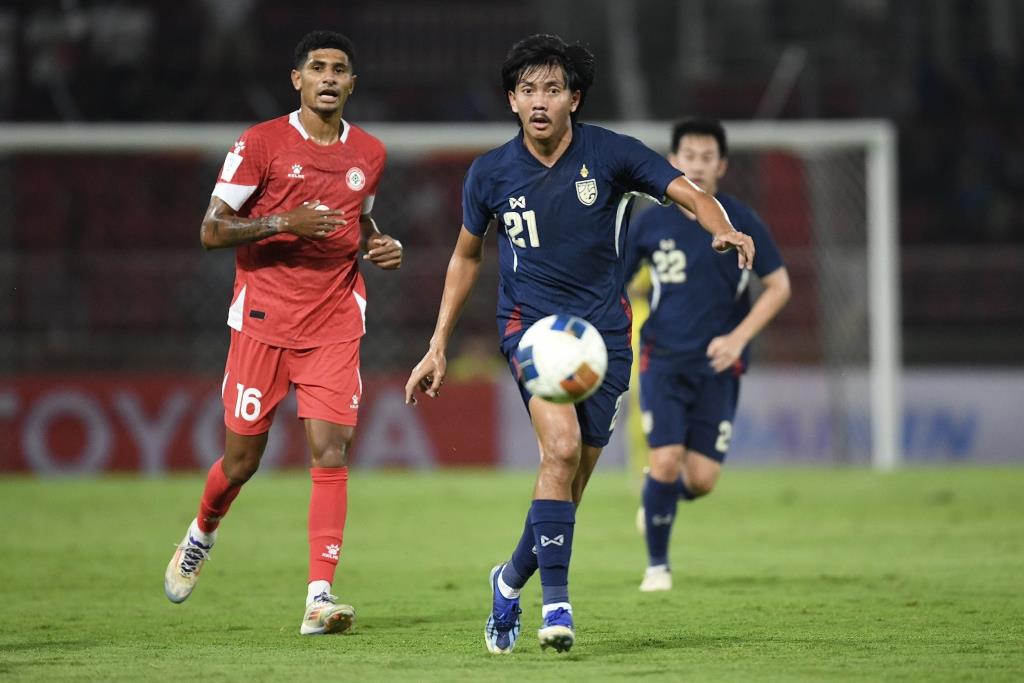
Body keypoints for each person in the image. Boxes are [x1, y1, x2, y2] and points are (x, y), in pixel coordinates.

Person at [404, 35, 754, 655]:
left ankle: (509, 579)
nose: (540, 101)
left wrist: (722, 226)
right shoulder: (488, 173)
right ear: (512, 100)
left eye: (553, 88)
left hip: (605, 338)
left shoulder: (611, 155)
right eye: (528, 89)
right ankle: (557, 608)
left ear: (575, 97)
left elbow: (689, 193)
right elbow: (465, 257)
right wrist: (438, 345)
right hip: (530, 330)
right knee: (559, 450)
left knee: (568, 483)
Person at [163, 30, 403, 636]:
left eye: (339, 69)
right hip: (263, 321)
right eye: (317, 67)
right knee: (241, 462)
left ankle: (318, 599)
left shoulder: (369, 152)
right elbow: (212, 231)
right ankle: (201, 533)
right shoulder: (260, 143)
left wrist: (376, 241)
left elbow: (358, 214)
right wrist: (281, 222)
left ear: (353, 83)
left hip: (334, 320)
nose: (328, 77)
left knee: (331, 452)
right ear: (296, 79)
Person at [624, 118, 790, 592]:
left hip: (721, 364)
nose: (697, 165)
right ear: (672, 162)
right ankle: (657, 567)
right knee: (666, 457)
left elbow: (779, 286)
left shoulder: (741, 221)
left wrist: (739, 337)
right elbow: (616, 281)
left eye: (706, 157)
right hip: (662, 358)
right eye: (688, 156)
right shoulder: (650, 222)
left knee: (701, 479)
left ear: (722, 165)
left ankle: (657, 497)